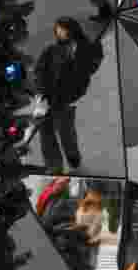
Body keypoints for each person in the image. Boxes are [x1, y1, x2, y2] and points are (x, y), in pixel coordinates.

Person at [33, 17, 102, 173]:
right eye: (57, 29)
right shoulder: (51, 49)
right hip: (47, 98)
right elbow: (39, 71)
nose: (59, 32)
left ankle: (73, 158)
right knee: (46, 133)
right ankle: (54, 166)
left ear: (72, 29)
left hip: (66, 99)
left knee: (66, 132)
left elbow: (92, 65)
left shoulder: (84, 48)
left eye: (62, 29)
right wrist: (40, 94)